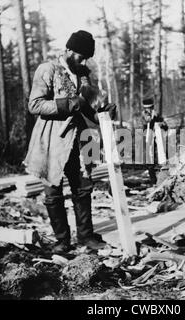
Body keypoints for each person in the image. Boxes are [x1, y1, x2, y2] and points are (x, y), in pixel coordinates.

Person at [24, 30, 116, 253]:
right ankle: (62, 240)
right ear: (67, 50)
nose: (83, 61)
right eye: (80, 56)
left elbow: (85, 105)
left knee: (83, 187)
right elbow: (34, 105)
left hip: (79, 137)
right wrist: (67, 104)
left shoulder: (83, 74)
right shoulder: (48, 70)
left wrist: (100, 114)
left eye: (86, 58)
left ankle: (86, 236)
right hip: (52, 138)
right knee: (53, 191)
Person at [142, 97, 168, 184]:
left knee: (162, 156)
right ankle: (153, 180)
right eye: (147, 108)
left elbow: (165, 126)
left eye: (150, 107)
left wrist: (161, 123)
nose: (148, 109)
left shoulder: (156, 114)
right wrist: (153, 118)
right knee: (149, 159)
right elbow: (147, 121)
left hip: (158, 137)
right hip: (148, 137)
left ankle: (162, 177)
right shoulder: (144, 114)